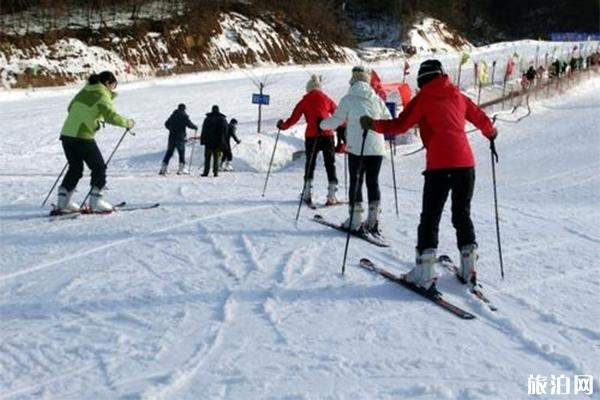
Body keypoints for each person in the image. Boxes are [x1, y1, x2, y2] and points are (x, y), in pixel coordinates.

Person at [360, 59, 497, 290]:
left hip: (439, 167)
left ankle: (424, 273)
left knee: (430, 217)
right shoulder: (458, 96)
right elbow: (481, 118)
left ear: (423, 79)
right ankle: (468, 268)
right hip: (466, 165)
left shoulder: (423, 99)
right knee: (462, 214)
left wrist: (372, 124)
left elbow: (400, 126)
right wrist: (492, 133)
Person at [320, 66, 391, 235]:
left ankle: (355, 220)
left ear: (352, 80)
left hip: (356, 149)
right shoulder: (376, 99)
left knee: (356, 182)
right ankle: (373, 221)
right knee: (373, 182)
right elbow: (388, 119)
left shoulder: (348, 99)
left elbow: (336, 121)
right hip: (377, 149)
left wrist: (321, 124)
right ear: (367, 80)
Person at [55, 71, 134, 213]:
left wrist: (87, 118)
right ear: (108, 83)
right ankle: (96, 201)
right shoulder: (102, 94)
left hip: (66, 134)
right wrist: (127, 123)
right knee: (99, 168)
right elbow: (111, 116)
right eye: (113, 86)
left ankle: (63, 202)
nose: (113, 89)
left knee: (75, 168)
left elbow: (70, 108)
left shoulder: (85, 90)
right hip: (82, 136)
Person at [277, 74, 339, 206]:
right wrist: (345, 128)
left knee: (310, 164)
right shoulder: (327, 99)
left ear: (308, 89)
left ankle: (307, 193)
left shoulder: (304, 101)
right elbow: (338, 115)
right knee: (330, 164)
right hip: (327, 135)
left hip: (311, 136)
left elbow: (293, 119)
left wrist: (282, 126)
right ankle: (332, 195)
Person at [159, 103, 198, 175]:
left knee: (169, 152)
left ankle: (163, 168)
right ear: (184, 109)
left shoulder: (173, 115)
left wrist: (171, 129)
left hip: (172, 137)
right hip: (180, 137)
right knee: (181, 153)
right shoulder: (184, 116)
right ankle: (181, 169)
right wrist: (195, 127)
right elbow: (189, 124)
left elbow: (166, 124)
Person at [200, 105, 228, 177]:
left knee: (207, 158)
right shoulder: (222, 119)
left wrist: (202, 140)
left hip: (208, 142)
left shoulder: (207, 119)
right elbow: (225, 131)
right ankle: (215, 172)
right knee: (216, 157)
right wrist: (224, 141)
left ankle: (206, 172)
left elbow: (204, 130)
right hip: (218, 142)